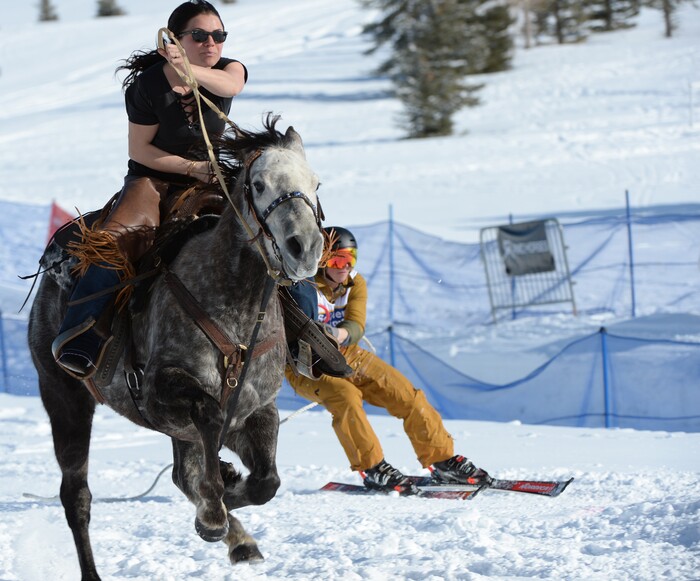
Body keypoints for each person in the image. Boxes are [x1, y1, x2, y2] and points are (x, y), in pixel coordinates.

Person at [52, 0, 247, 379]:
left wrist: (188, 69)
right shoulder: (149, 85)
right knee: (118, 239)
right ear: (174, 40)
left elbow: (232, 84)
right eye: (200, 35)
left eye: (219, 36)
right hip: (152, 178)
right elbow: (140, 151)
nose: (212, 43)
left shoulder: (227, 69)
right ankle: (83, 335)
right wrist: (195, 168)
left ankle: (306, 331)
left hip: (211, 177)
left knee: (265, 226)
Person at [285, 227, 490, 493]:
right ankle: (373, 468)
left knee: (408, 396)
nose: (344, 267)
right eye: (337, 261)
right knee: (345, 396)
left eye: (350, 260)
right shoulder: (305, 284)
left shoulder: (355, 284)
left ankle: (442, 460)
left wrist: (337, 334)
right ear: (322, 260)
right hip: (306, 365)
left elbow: (356, 325)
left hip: (348, 354)